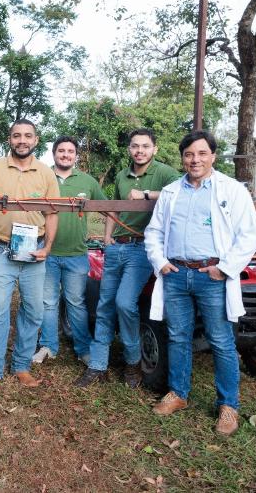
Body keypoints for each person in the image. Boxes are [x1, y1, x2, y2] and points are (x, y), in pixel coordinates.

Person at [145, 130, 256, 435]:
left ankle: (228, 406)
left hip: (213, 276)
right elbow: (154, 233)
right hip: (177, 274)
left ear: (212, 155)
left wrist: (224, 269)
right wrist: (161, 262)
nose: (194, 160)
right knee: (177, 336)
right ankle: (179, 394)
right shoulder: (172, 192)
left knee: (221, 340)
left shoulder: (231, 190)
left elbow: (249, 235)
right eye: (188, 154)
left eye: (201, 153)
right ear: (182, 158)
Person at [75, 128, 179, 389]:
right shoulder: (122, 175)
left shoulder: (164, 173)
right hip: (116, 247)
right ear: (129, 149)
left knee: (124, 302)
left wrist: (147, 195)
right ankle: (97, 365)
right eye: (135, 146)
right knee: (105, 305)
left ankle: (132, 362)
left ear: (154, 149)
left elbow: (183, 190)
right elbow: (116, 208)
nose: (140, 151)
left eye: (145, 146)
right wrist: (108, 239)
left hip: (142, 249)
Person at [0, 119, 60, 395]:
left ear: (36, 140)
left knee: (34, 310)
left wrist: (47, 247)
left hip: (34, 252)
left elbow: (52, 213)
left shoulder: (46, 173)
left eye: (27, 136)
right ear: (9, 139)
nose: (22, 140)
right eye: (16, 136)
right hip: (0, 250)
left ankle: (21, 365)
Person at [32, 136, 105, 365]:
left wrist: (112, 234)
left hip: (76, 254)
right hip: (47, 253)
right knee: (48, 302)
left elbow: (108, 209)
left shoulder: (88, 182)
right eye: (61, 151)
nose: (65, 154)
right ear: (54, 154)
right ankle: (48, 345)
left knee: (76, 303)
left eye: (70, 151)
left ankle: (83, 348)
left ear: (76, 155)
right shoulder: (42, 177)